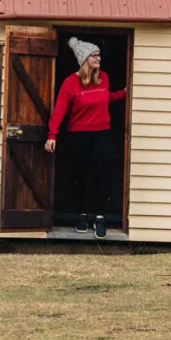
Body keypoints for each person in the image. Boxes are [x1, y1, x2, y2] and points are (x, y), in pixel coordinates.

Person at [45, 37, 126, 239]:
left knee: (101, 175)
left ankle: (100, 218)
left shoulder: (104, 78)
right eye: (95, 55)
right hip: (78, 135)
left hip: (102, 134)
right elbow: (59, 111)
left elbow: (104, 98)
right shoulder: (71, 83)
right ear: (84, 59)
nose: (99, 58)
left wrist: (124, 94)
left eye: (99, 55)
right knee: (79, 176)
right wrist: (52, 135)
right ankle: (81, 216)